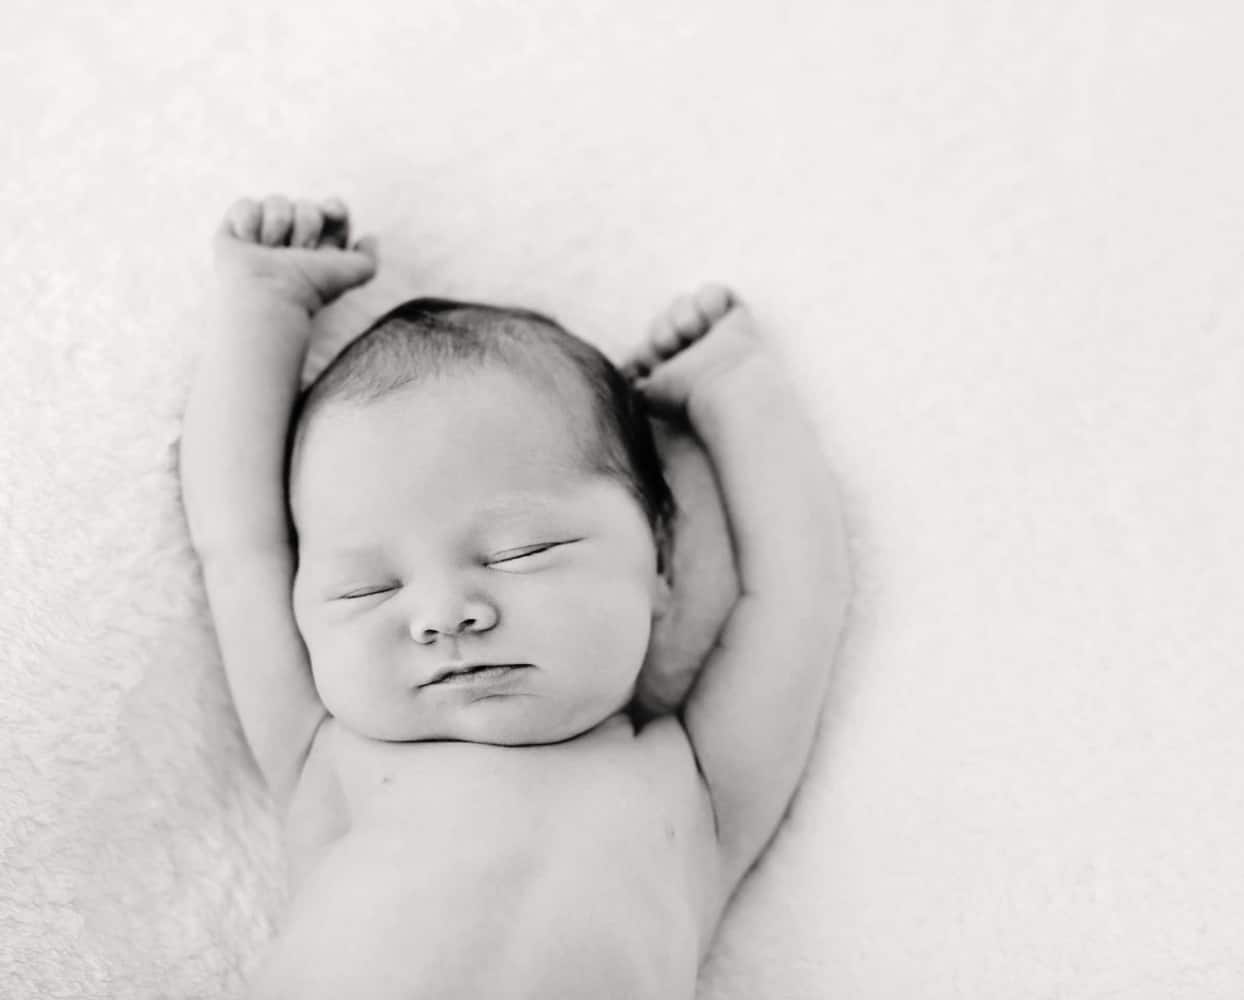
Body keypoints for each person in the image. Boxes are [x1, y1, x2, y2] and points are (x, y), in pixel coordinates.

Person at [178, 194, 852, 998]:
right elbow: (238, 542)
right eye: (369, 588)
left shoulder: (702, 787)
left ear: (661, 565)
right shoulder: (325, 754)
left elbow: (797, 595)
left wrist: (739, 392)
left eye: (522, 551)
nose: (443, 616)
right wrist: (262, 308)